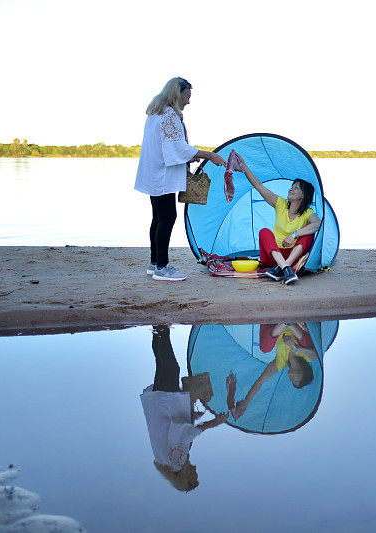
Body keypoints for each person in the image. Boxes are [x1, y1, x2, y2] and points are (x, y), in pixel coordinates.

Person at [135, 77, 226, 281]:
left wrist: (191, 156)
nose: (188, 101)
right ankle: (162, 267)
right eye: (187, 96)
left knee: (158, 218)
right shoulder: (169, 115)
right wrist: (209, 155)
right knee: (167, 218)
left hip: (154, 173)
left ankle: (154, 262)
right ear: (178, 94)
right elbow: (178, 148)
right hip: (161, 176)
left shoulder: (156, 113)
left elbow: (167, 147)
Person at [140, 325, 228, 492]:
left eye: (194, 475)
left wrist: (215, 422)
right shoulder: (164, 462)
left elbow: (182, 435)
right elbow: (172, 430)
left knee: (170, 368)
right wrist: (192, 417)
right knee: (161, 365)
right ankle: (157, 330)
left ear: (185, 477)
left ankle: (162, 329)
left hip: (165, 401)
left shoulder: (176, 462)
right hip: (159, 403)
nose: (195, 470)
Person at [234, 153, 322, 285]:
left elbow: (318, 224)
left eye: (296, 188)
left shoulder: (308, 213)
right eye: (292, 186)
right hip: (272, 257)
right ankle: (286, 269)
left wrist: (294, 234)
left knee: (309, 234)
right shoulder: (280, 204)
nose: (291, 189)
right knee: (264, 231)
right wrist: (244, 167)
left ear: (304, 195)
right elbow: (259, 186)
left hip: (292, 255)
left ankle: (282, 267)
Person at [228, 322, 318, 420]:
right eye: (296, 381)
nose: (291, 380)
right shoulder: (308, 357)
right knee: (307, 344)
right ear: (303, 374)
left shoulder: (281, 363)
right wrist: (295, 348)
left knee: (265, 348)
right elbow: (316, 354)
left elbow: (260, 381)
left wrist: (246, 403)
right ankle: (289, 321)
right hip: (296, 324)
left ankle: (284, 322)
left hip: (274, 325)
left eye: (293, 382)